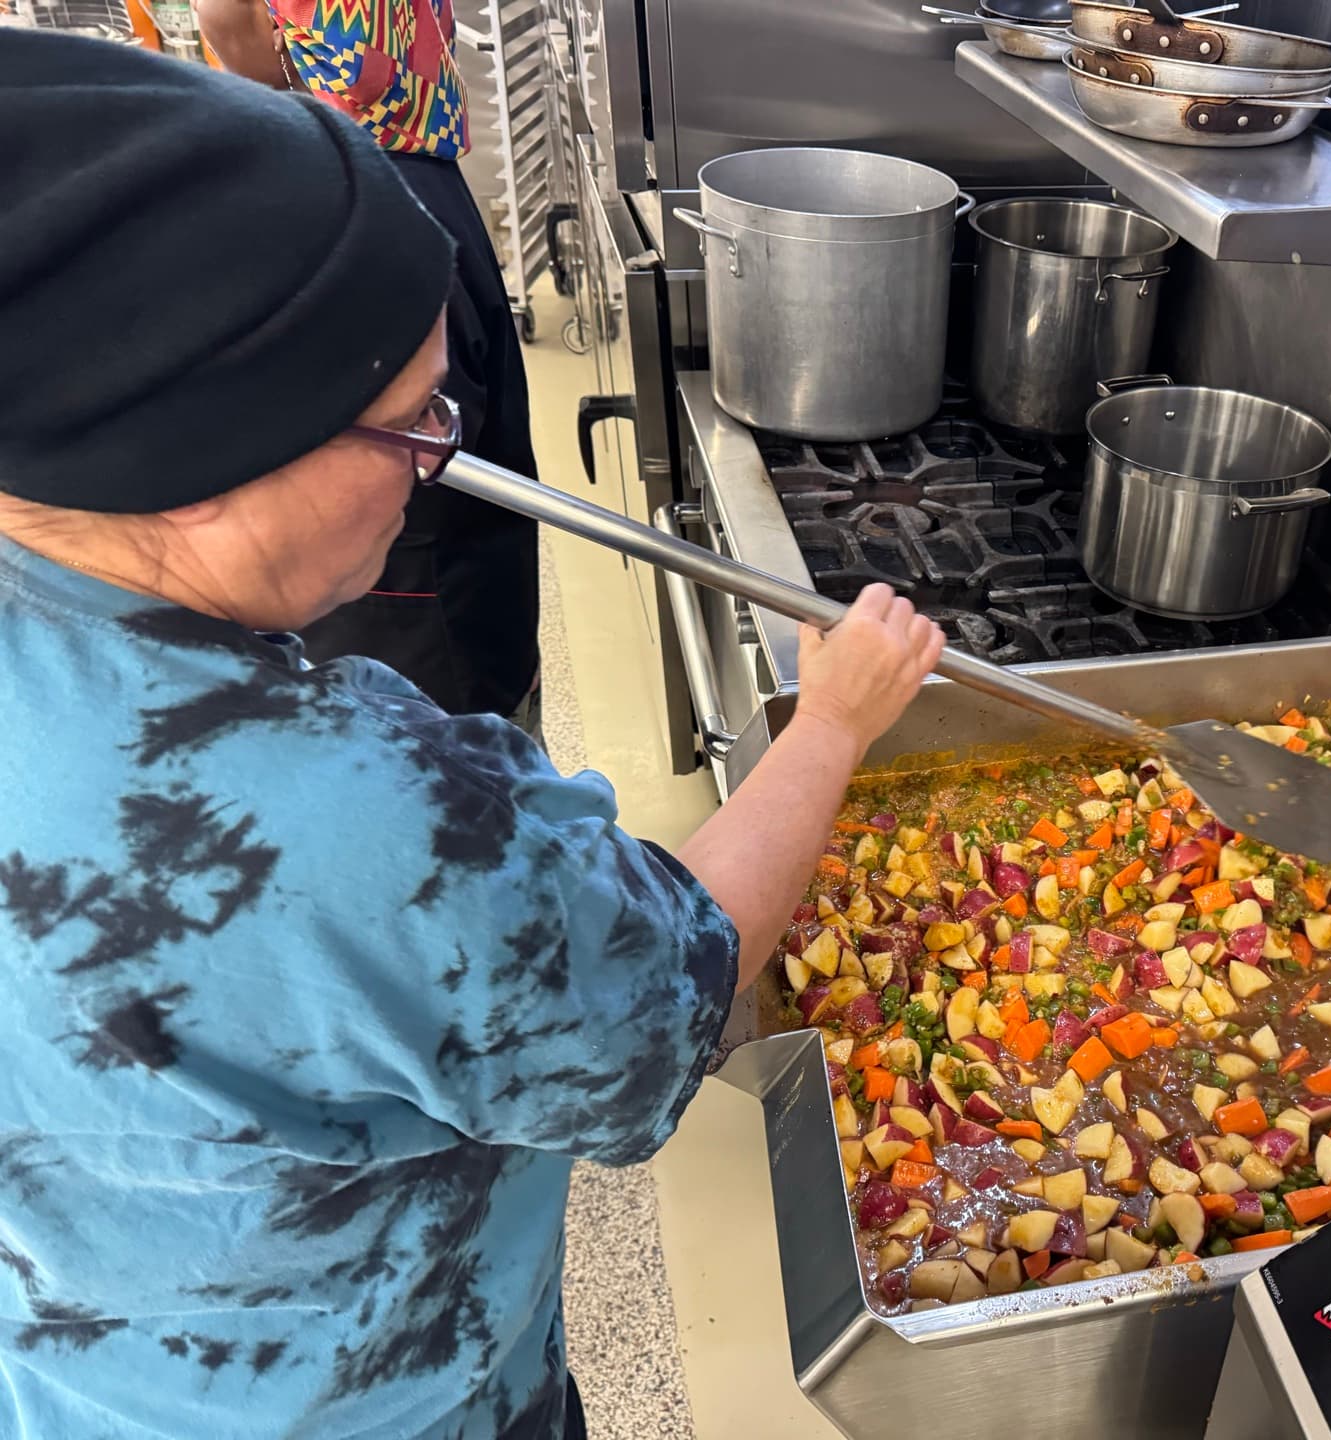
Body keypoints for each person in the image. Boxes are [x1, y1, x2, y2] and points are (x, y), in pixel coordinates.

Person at [0, 33, 942, 1440]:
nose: (445, 458)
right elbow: (664, 1002)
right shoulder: (362, 816)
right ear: (200, 470)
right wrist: (830, 724)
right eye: (413, 423)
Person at [194, 0, 544, 729]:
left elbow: (378, 459)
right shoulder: (415, 170)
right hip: (465, 604)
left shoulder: (354, 217)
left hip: (409, 647)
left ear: (287, 32)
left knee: (465, 799)